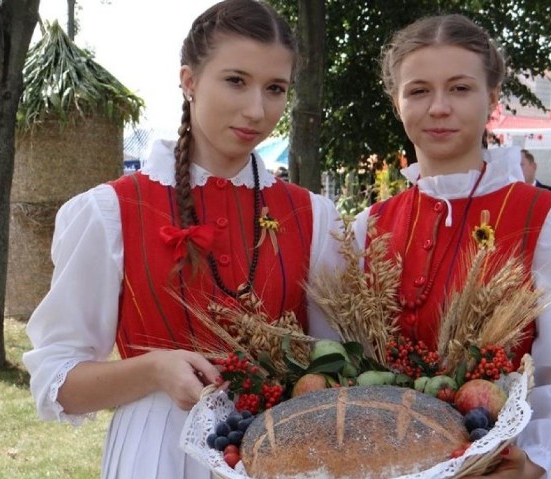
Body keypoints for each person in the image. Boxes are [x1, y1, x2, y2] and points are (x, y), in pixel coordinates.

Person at [22, 1, 342, 478]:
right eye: (236, 80)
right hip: (157, 455)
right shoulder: (109, 212)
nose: (257, 109)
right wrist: (152, 371)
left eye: (275, 89)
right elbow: (57, 381)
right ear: (189, 81)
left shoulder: (312, 215)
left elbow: (333, 364)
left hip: (281, 452)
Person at [352, 14, 551, 477]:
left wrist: (537, 462)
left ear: (492, 99)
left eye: (460, 88)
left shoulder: (545, 220)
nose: (439, 107)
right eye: (418, 90)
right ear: (397, 102)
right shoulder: (367, 227)